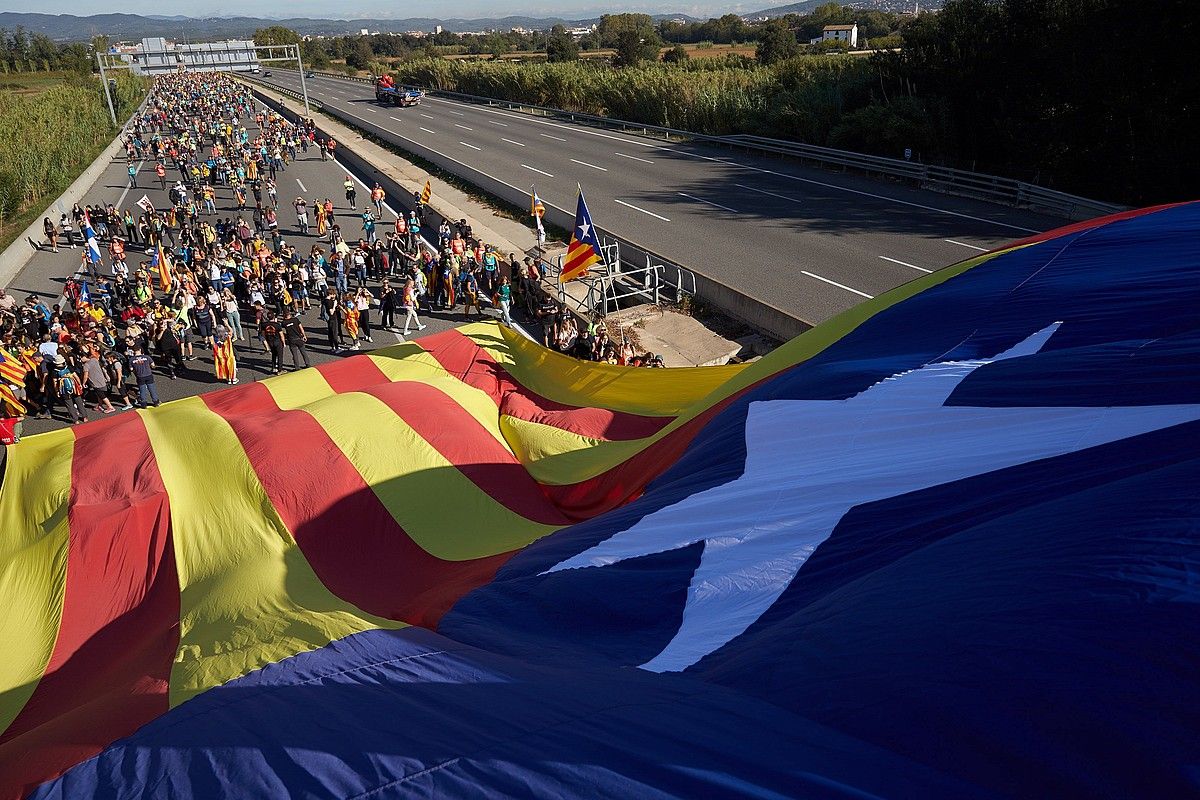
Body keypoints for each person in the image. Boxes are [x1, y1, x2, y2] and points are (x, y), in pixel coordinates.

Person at [259, 309, 285, 373]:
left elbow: (263, 334)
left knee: (274, 355)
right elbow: (281, 335)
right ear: (274, 317)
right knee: (280, 356)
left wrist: (267, 340)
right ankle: (280, 370)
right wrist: (283, 343)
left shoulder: (264, 325)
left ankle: (273, 368)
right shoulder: (277, 325)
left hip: (270, 341)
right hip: (277, 341)